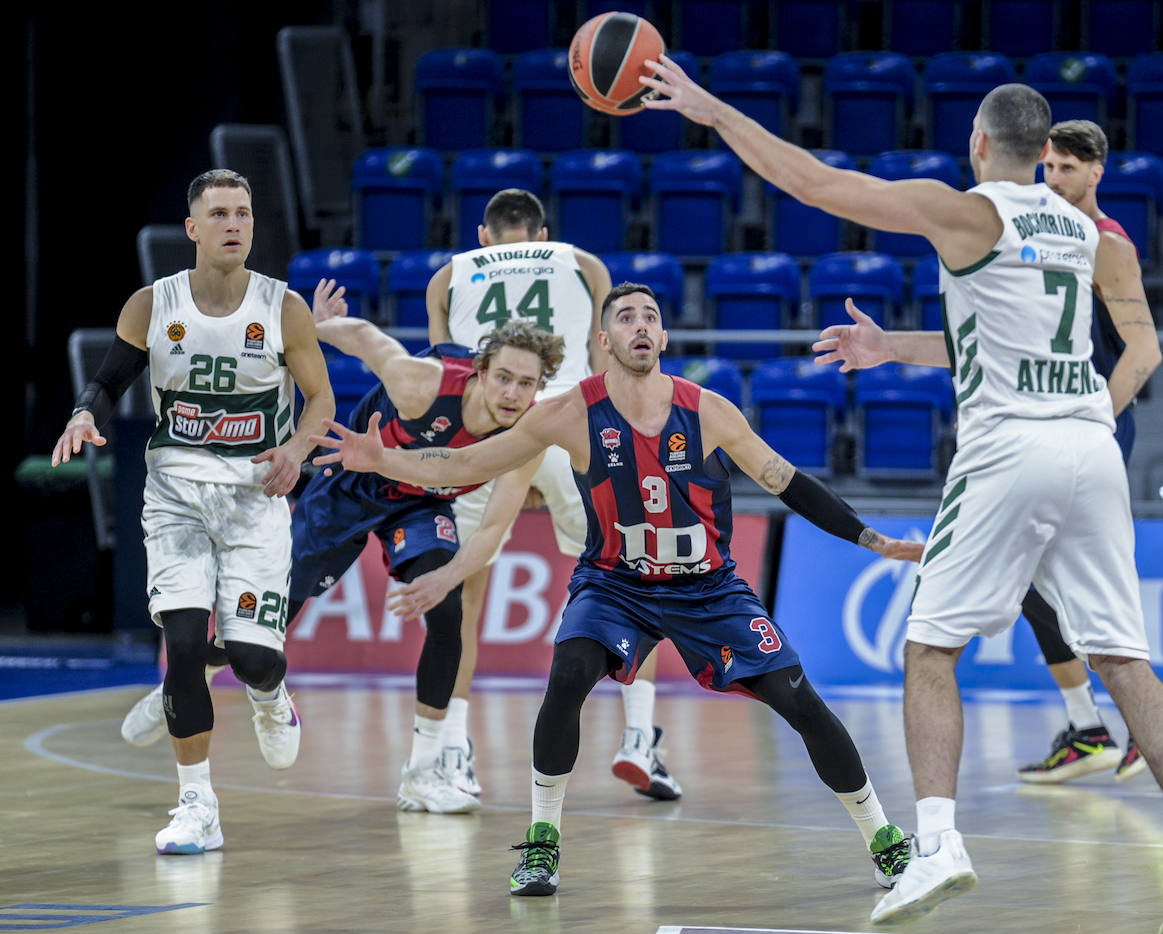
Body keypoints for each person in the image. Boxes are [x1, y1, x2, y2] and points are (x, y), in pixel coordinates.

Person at [638, 63, 1163, 932]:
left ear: (980, 142)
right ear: (1044, 151)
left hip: (1010, 447)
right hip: (1091, 445)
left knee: (928, 648)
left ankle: (937, 847)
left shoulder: (969, 211)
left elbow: (813, 183)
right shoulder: (1093, 233)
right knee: (1122, 656)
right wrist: (893, 347)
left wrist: (710, 109)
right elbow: (1037, 339)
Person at [311, 283, 927, 899]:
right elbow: (467, 464)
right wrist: (386, 460)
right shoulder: (569, 412)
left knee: (800, 701)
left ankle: (883, 838)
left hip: (707, 588)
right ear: (604, 340)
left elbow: (788, 482)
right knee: (568, 674)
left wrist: (871, 539)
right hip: (614, 583)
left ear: (663, 337)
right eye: (626, 317)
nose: (641, 326)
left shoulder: (708, 410)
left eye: (651, 317)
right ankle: (542, 843)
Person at [120, 293, 566, 815]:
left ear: (540, 387)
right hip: (351, 484)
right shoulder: (421, 383)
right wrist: (317, 327)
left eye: (526, 383)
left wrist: (445, 579)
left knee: (448, 615)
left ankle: (423, 772)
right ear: (481, 372)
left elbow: (492, 530)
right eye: (504, 377)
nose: (513, 393)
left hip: (422, 505)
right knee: (264, 626)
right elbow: (365, 338)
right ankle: (193, 677)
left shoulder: (527, 435)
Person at [51, 169, 334, 855]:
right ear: (193, 228)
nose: (234, 224)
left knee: (253, 657)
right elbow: (109, 380)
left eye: (244, 213)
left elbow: (321, 400)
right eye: (220, 213)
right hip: (175, 493)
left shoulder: (284, 307)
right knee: (181, 644)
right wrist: (85, 414)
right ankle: (197, 805)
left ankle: (270, 693)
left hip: (255, 497)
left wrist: (296, 448)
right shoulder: (154, 303)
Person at [426, 188, 682, 800]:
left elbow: (446, 374)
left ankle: (453, 753)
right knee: (637, 579)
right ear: (544, 236)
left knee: (464, 597)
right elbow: (608, 360)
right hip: (572, 427)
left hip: (490, 431)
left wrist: (514, 461)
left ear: (483, 236)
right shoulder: (583, 264)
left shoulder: (448, 276)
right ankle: (639, 738)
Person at [1017, 119, 1163, 785]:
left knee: (1077, 580)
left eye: (1068, 168)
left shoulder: (1106, 241)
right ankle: (1087, 726)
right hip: (1054, 424)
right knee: (1033, 579)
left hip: (1095, 425)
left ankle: (1154, 714)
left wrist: (1095, 420)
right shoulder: (1044, 237)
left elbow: (1144, 352)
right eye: (1048, 167)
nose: (1054, 178)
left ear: (1097, 172)